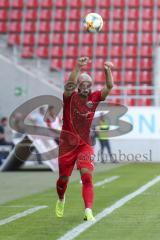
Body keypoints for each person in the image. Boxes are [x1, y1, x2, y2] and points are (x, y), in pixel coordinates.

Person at [55, 57, 114, 221]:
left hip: (84, 145)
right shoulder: (69, 97)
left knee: (87, 176)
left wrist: (107, 70)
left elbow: (109, 86)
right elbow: (70, 84)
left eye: (89, 84)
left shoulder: (95, 97)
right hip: (66, 145)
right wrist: (77, 66)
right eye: (83, 84)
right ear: (78, 85)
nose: (86, 87)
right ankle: (61, 198)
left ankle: (88, 210)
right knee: (63, 179)